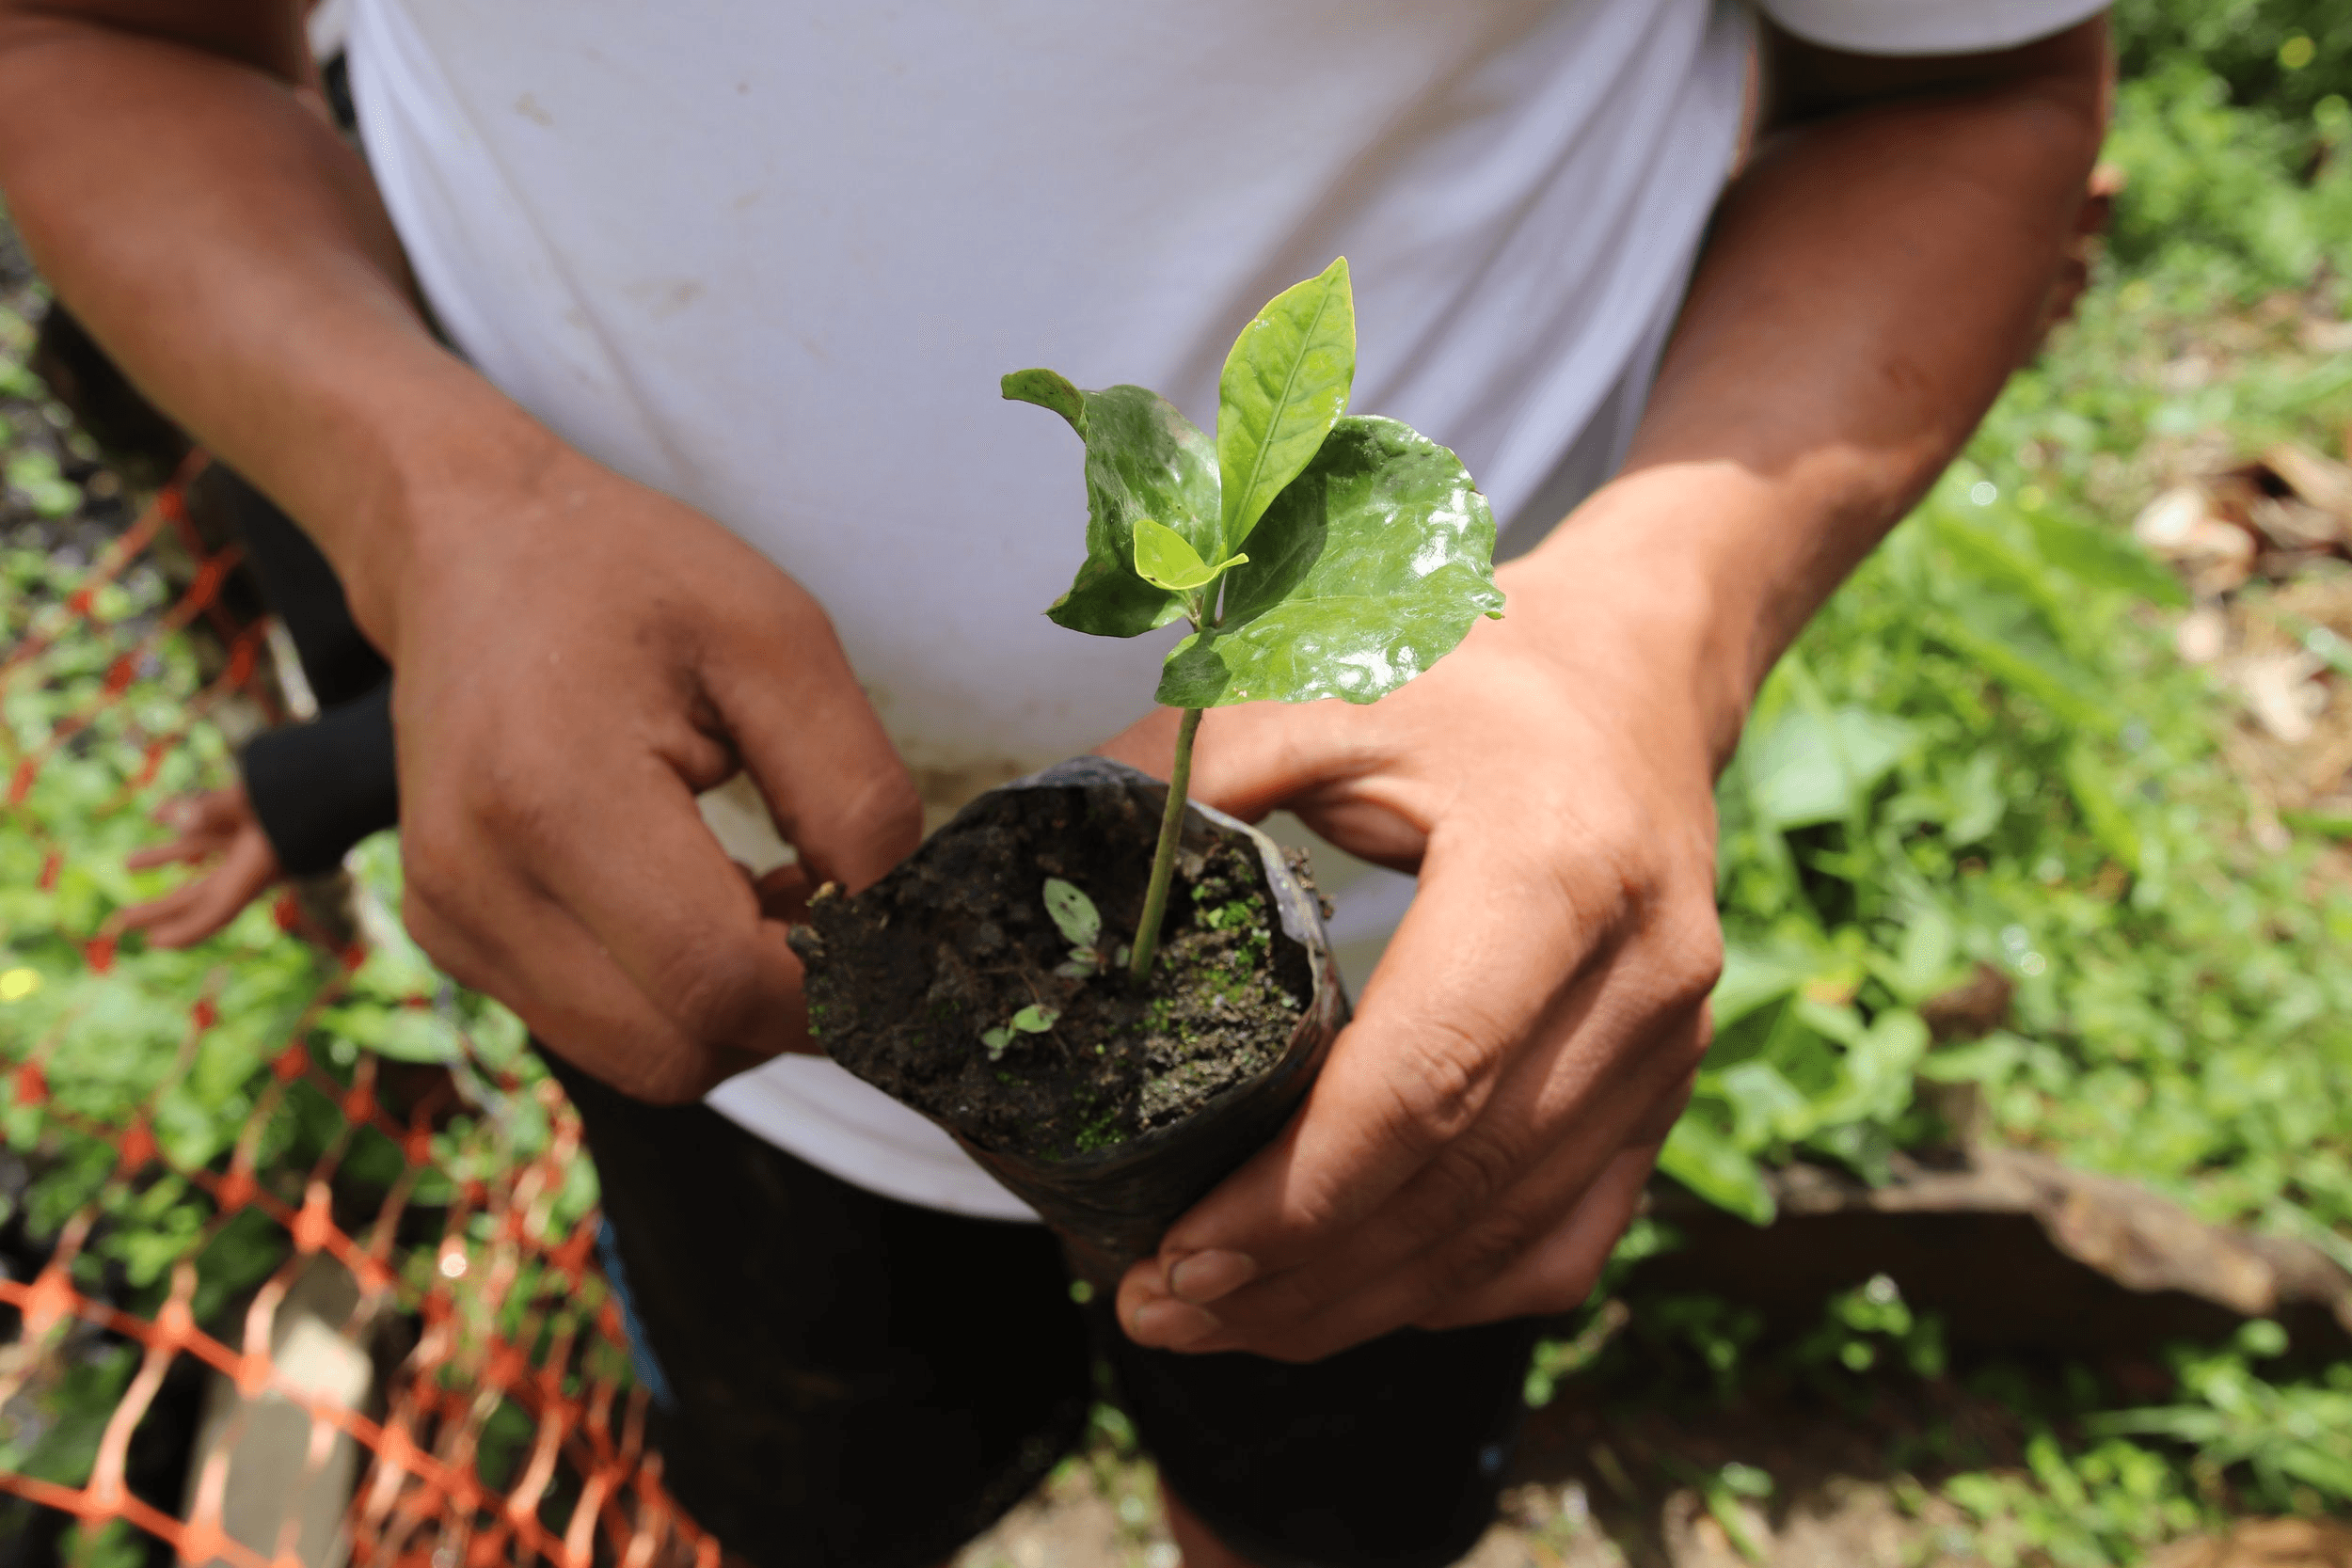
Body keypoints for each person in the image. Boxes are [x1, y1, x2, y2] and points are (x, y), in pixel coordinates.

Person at [0, 4, 2111, 1564]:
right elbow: (96, 37)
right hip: (712, 978)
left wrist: (1653, 618)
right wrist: (437, 503)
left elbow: (1968, 89)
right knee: (816, 1481)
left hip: (1411, 1014)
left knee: (1326, 1494)